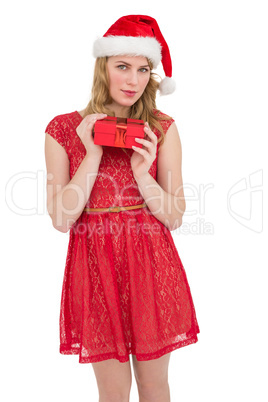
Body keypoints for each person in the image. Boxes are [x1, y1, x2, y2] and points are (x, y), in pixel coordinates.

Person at [44, 14, 200, 402]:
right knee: (112, 392)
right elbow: (62, 219)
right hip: (95, 267)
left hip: (150, 263)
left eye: (143, 69)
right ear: (103, 68)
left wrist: (143, 174)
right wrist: (92, 153)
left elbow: (175, 215)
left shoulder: (161, 127)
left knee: (153, 385)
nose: (133, 80)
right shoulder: (63, 129)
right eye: (122, 67)